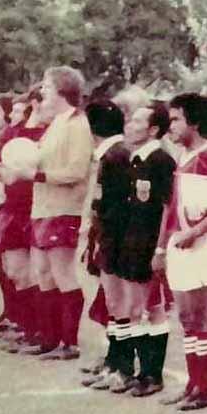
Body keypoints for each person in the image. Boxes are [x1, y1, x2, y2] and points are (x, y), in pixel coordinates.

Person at [2, 66, 93, 360]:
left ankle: (69, 342)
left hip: (63, 209)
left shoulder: (77, 124)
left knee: (62, 273)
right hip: (42, 208)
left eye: (48, 87)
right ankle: (48, 338)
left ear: (63, 91)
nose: (42, 92)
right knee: (42, 271)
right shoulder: (55, 123)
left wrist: (36, 175)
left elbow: (77, 171)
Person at [153, 93, 207, 411]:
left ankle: (203, 389)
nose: (170, 125)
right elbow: (173, 208)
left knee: (200, 316)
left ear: (194, 122)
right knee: (186, 317)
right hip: (181, 244)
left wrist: (195, 232)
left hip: (201, 244)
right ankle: (191, 385)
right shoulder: (182, 157)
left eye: (176, 119)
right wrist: (163, 245)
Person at [108, 102, 176, 397]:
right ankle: (140, 372)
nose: (129, 124)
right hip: (130, 240)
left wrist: (160, 248)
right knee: (136, 309)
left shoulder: (161, 160)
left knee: (150, 307)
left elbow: (165, 208)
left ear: (153, 130)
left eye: (137, 121)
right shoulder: (134, 158)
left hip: (147, 243)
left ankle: (153, 374)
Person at [0, 89, 48, 337]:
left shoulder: (52, 132)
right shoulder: (14, 131)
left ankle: (38, 330)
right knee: (15, 270)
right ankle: (22, 324)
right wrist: (4, 173)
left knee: (40, 272)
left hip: (41, 206)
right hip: (13, 207)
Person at [79, 100, 130, 385]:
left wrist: (101, 236)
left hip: (114, 237)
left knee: (117, 302)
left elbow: (113, 204)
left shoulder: (115, 155)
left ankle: (119, 363)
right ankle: (112, 359)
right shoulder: (110, 154)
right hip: (107, 235)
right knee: (109, 300)